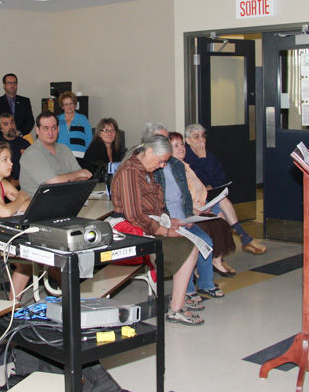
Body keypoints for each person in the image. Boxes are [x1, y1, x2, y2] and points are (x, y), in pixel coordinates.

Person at [111, 134, 202, 326]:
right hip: (131, 233)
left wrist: (170, 221)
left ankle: (178, 304)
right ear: (150, 152)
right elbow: (135, 216)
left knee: (191, 246)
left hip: (147, 227)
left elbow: (152, 208)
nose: (162, 166)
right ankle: (176, 308)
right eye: (161, 161)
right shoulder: (130, 172)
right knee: (188, 248)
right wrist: (166, 231)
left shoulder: (143, 169)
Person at [183, 123, 268, 255]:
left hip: (209, 195)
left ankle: (233, 246)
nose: (201, 140)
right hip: (196, 199)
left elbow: (219, 175)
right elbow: (199, 180)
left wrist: (212, 185)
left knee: (222, 200)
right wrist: (202, 159)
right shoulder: (187, 158)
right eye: (196, 137)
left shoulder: (209, 155)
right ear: (188, 140)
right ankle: (243, 237)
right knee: (222, 207)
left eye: (203, 136)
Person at [168, 131, 237, 278]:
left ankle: (216, 260)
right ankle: (203, 270)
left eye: (181, 145)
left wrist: (205, 203)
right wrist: (202, 158)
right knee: (215, 220)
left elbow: (216, 177)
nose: (181, 148)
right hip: (189, 211)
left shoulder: (185, 165)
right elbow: (181, 198)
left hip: (200, 205)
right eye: (176, 146)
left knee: (220, 215)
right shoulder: (173, 170)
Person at [19, 112, 92, 196]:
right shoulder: (32, 154)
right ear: (38, 130)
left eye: (54, 128)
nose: (50, 132)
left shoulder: (65, 149)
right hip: (38, 205)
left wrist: (76, 177)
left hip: (66, 199)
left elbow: (83, 178)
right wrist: (77, 174)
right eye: (46, 128)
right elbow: (53, 182)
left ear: (58, 129)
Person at [0, 73, 35, 139]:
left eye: (14, 83)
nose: (12, 85)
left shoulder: (25, 101)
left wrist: (19, 132)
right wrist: (7, 133)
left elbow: (30, 121)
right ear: (4, 85)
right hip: (2, 140)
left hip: (21, 138)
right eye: (9, 83)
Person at [56, 90, 92, 161]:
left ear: (75, 104)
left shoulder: (82, 119)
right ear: (62, 106)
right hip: (60, 156)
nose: (69, 106)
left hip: (79, 157)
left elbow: (89, 140)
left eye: (71, 103)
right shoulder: (57, 120)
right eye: (66, 104)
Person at [0, 113, 28, 184]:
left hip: (24, 184)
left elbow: (32, 166)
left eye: (12, 122)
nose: (10, 126)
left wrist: (19, 182)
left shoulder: (25, 143)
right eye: (6, 124)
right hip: (2, 185)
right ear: (0, 128)